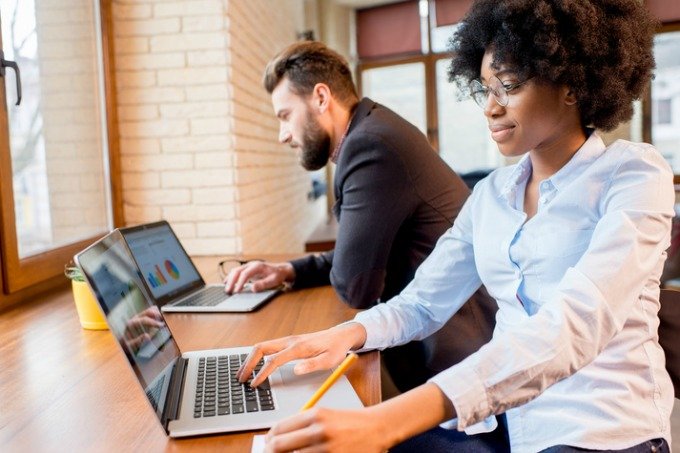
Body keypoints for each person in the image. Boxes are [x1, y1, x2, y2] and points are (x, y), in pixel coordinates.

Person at [235, 0, 675, 451]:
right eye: (484, 89)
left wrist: (387, 421)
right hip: (509, 423)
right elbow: (423, 303)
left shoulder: (634, 175)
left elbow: (571, 328)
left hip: (604, 431)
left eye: (507, 86)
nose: (490, 108)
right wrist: (339, 336)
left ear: (572, 84)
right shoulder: (491, 195)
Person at [224, 41, 497, 392]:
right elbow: (356, 260)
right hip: (437, 333)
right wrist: (289, 270)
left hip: (453, 355)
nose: (283, 135)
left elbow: (355, 286)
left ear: (321, 98)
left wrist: (339, 262)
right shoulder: (373, 128)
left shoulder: (369, 146)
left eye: (285, 116)